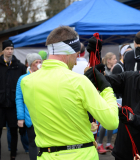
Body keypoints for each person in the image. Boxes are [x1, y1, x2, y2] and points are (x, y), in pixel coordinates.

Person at [20, 26, 119, 160]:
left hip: (46, 155)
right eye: (76, 54)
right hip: (81, 155)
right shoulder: (79, 82)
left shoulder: (27, 82)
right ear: (68, 52)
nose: (76, 59)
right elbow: (111, 122)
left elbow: (59, 113)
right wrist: (106, 88)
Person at [0, 39, 26, 160]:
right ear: (3, 50)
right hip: (0, 105)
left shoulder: (19, 66)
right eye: (7, 49)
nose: (10, 51)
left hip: (13, 105)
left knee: (13, 131)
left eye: (11, 49)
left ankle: (13, 154)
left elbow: (24, 85)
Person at [16, 53, 42, 160]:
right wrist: (20, 117)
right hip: (29, 117)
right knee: (33, 143)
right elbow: (19, 99)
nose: (39, 64)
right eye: (36, 62)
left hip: (44, 116)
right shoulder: (23, 79)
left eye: (40, 62)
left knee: (46, 144)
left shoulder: (45, 77)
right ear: (30, 64)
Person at [97, 52, 117, 154]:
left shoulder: (114, 69)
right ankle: (99, 144)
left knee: (112, 120)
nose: (116, 60)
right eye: (114, 59)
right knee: (104, 123)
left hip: (111, 97)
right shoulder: (103, 69)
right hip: (103, 97)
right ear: (108, 60)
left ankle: (108, 143)